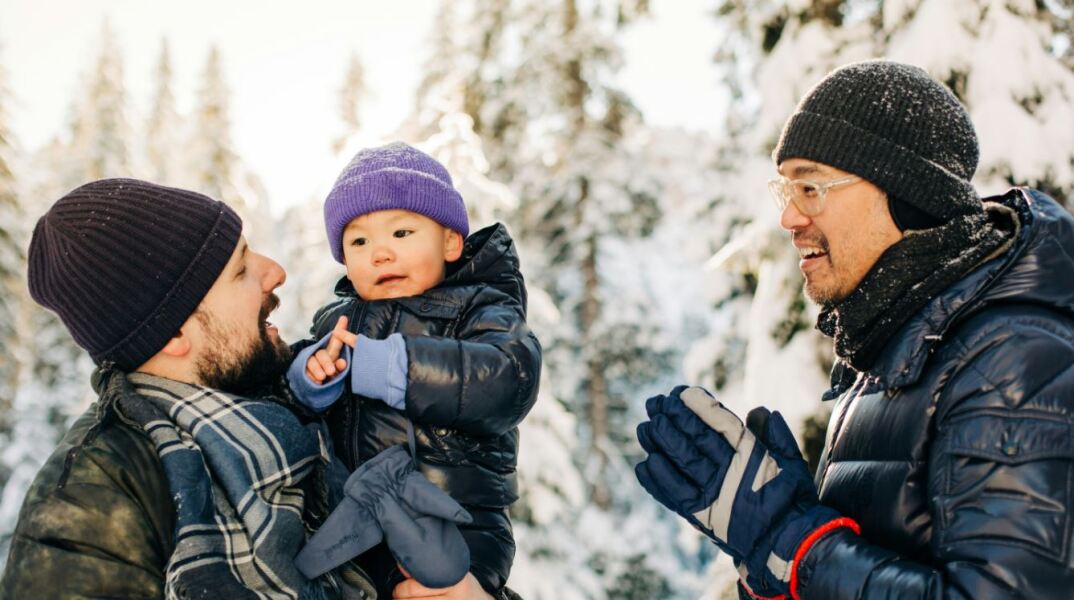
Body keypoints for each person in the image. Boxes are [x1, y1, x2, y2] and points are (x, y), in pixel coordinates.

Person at [634, 60, 1074, 599]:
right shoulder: (891, 357)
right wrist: (775, 566)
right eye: (785, 191)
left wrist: (793, 546)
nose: (789, 219)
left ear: (905, 192)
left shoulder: (1010, 362)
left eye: (812, 188)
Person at [1, 178, 510, 600]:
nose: (275, 272)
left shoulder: (290, 405)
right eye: (242, 269)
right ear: (175, 333)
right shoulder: (96, 499)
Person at [285, 142, 541, 599]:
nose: (379, 253)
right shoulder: (337, 322)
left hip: (458, 520)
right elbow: (291, 396)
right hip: (358, 528)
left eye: (401, 233)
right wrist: (310, 378)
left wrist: (394, 367)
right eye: (359, 241)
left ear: (449, 242)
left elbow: (508, 378)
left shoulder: (480, 306)